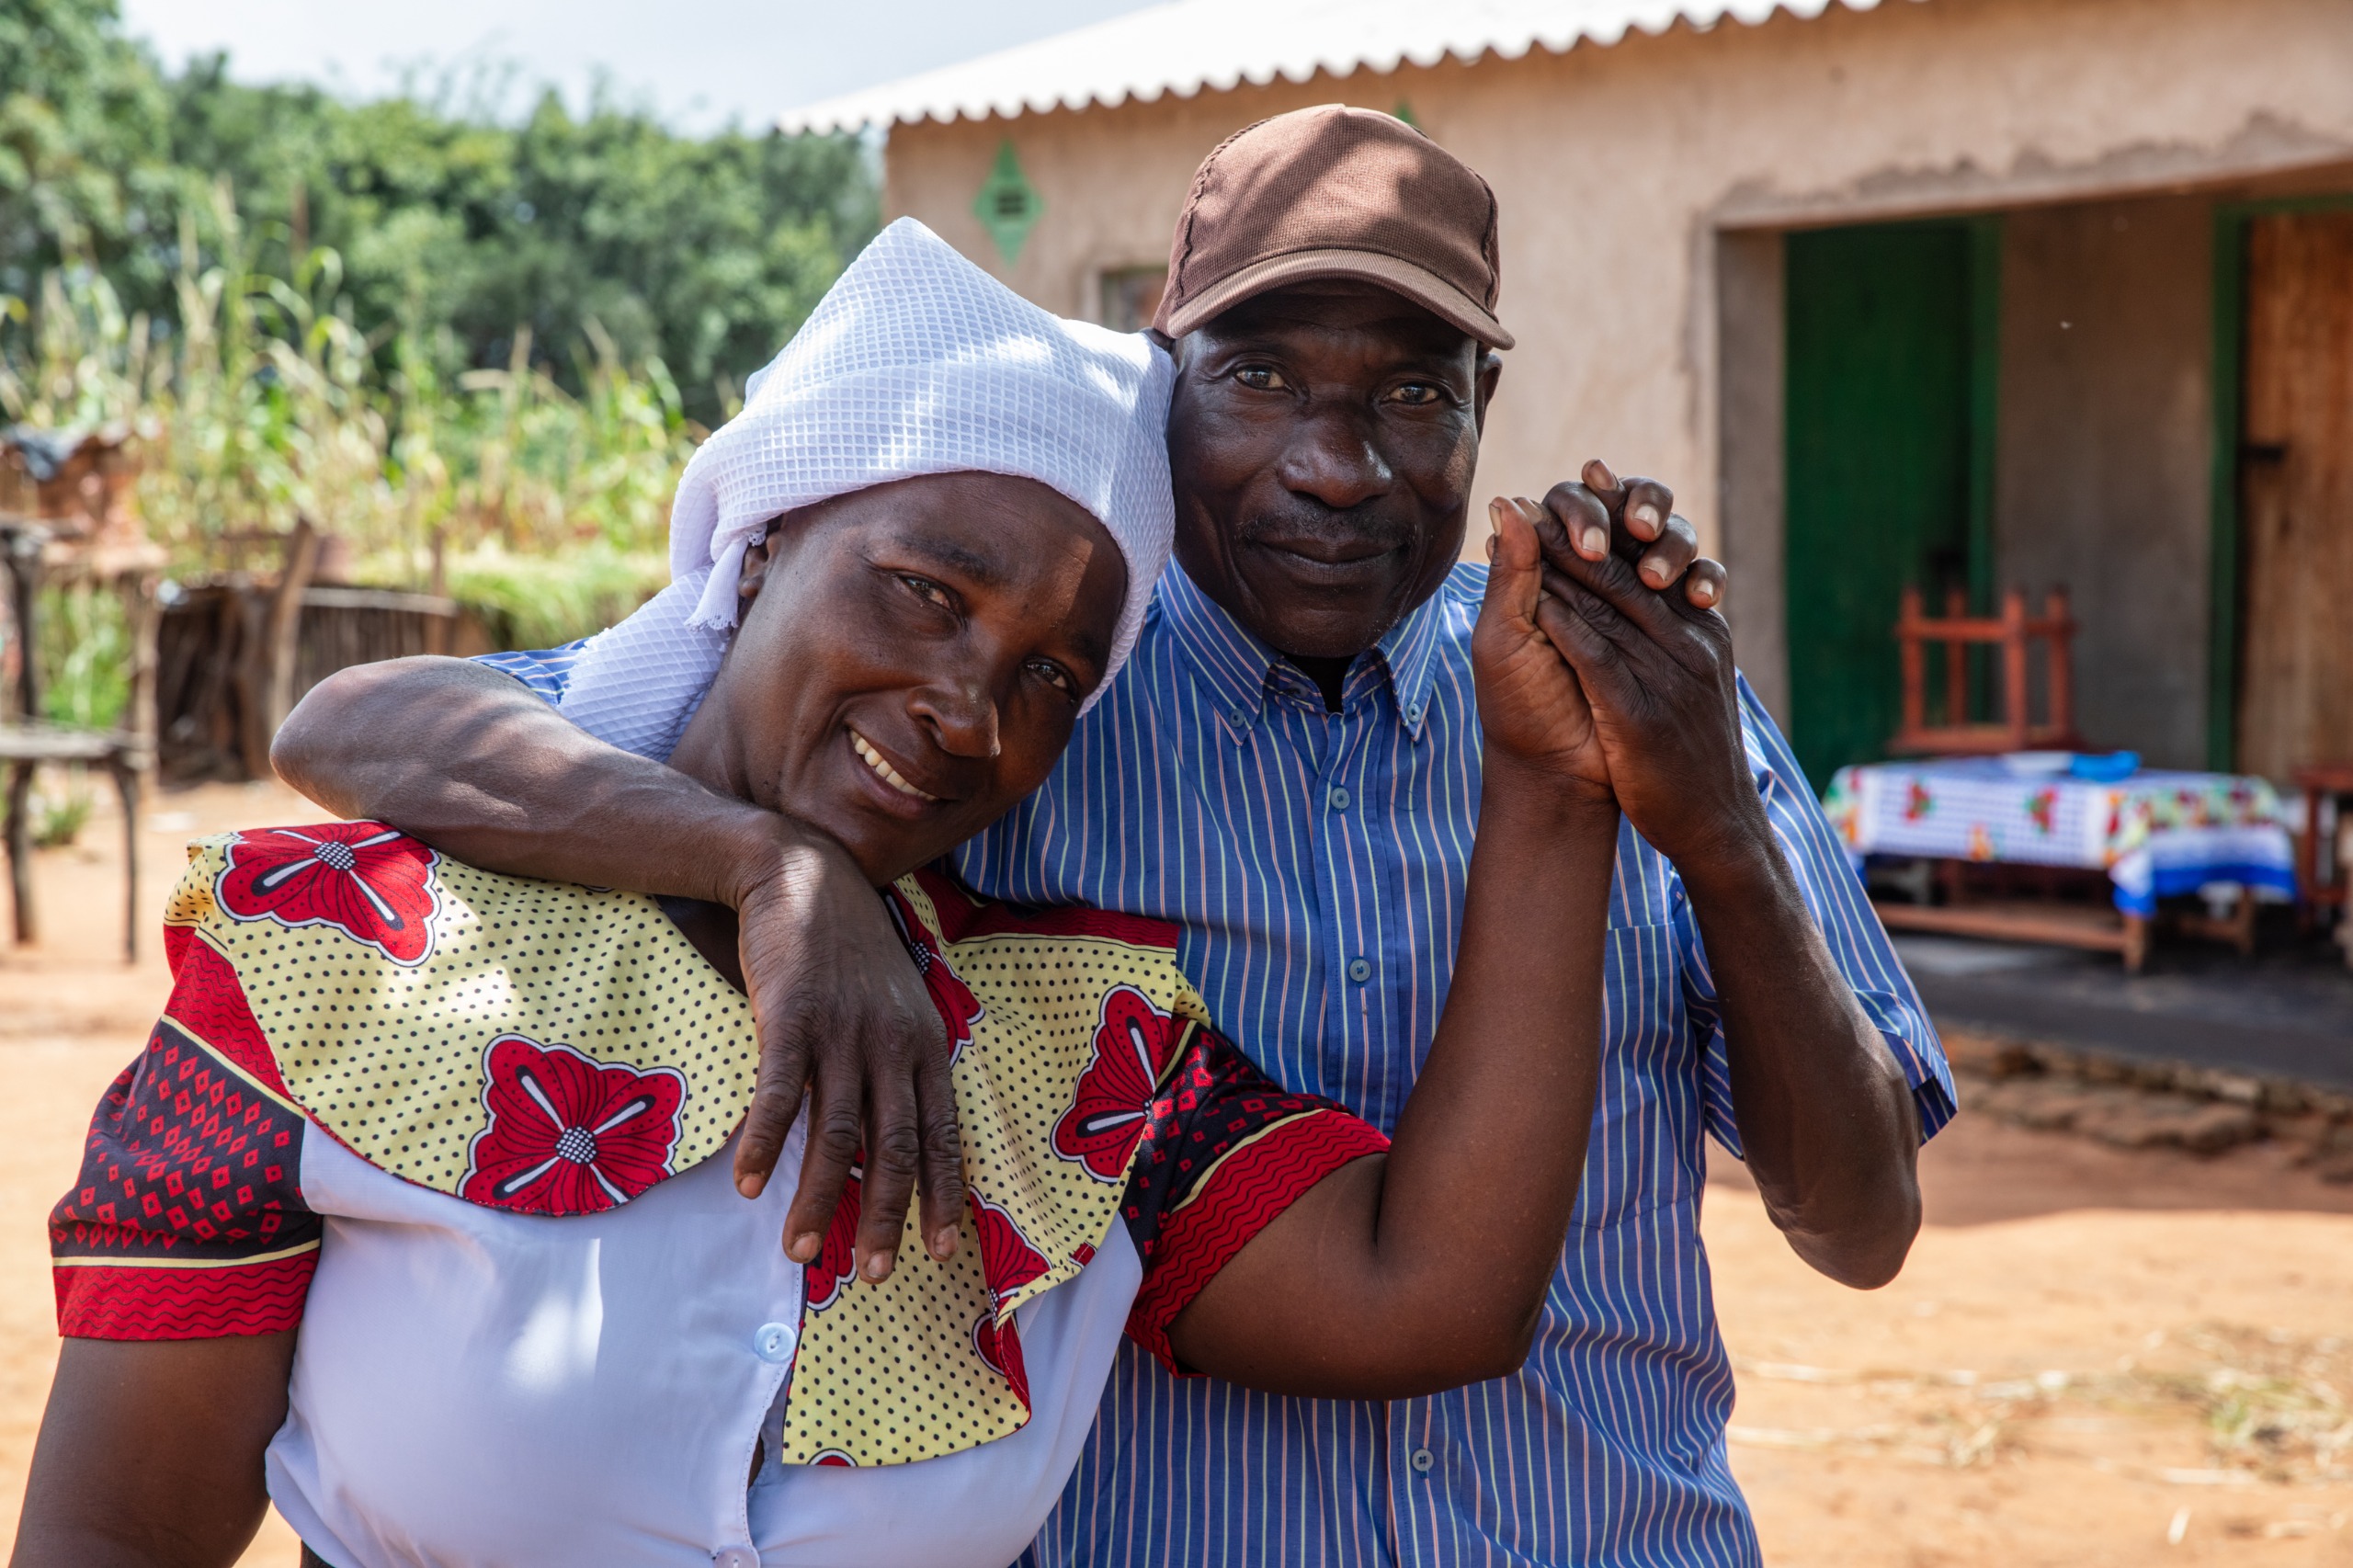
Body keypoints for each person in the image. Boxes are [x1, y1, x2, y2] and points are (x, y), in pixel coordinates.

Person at [269, 110, 1954, 1564]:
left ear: (1483, 404)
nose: (1337, 463)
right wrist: (775, 863)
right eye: (1260, 377)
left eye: (1411, 393)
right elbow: (363, 725)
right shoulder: (1012, 712)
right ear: (1166, 378)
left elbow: (1861, 1222)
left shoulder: (1626, 701)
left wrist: (1711, 825)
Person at [18, 219, 1643, 1568]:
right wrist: (769, 862)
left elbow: (1426, 1296)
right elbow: (115, 1535)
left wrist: (1555, 788)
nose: (969, 708)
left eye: (1054, 673)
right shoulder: (341, 958)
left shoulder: (1075, 1056)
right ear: (765, 539)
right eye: (925, 589)